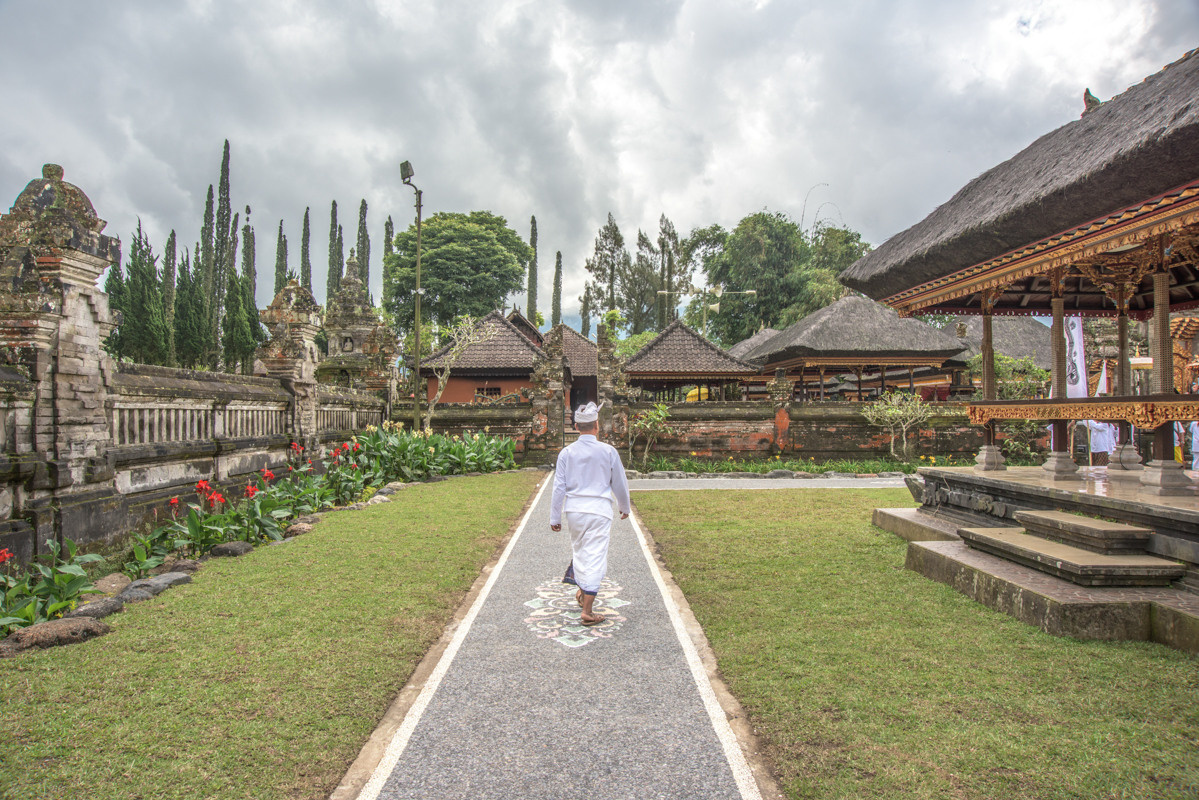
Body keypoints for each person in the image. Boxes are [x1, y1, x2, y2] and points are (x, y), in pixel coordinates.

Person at [549, 402, 631, 626]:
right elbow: (619, 483)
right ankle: (587, 610)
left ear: (576, 426)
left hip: (574, 510)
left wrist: (555, 517)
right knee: (594, 555)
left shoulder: (567, 453)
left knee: (581, 550)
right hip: (599, 511)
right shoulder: (608, 451)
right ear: (597, 426)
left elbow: (559, 487)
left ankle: (582, 592)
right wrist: (625, 506)